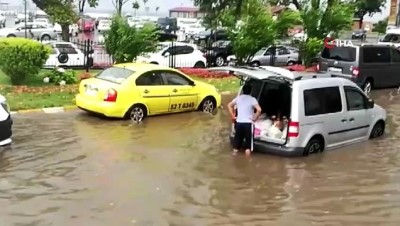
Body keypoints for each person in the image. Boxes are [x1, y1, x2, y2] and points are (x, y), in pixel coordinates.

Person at [227, 84, 262, 156]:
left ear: (243, 91)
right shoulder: (252, 99)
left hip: (239, 124)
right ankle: (248, 164)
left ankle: (234, 159)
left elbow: (229, 105)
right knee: (248, 147)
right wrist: (255, 117)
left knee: (236, 146)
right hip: (248, 124)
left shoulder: (238, 98)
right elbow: (259, 109)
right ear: (251, 91)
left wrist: (233, 116)